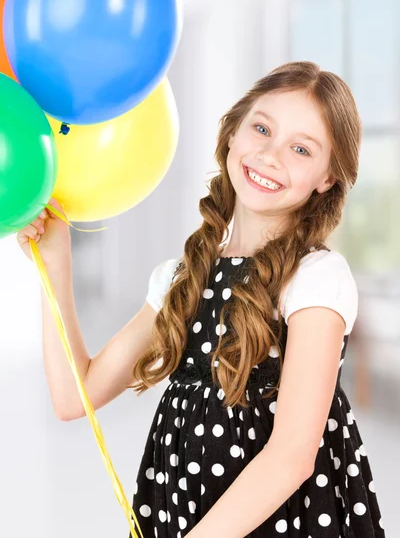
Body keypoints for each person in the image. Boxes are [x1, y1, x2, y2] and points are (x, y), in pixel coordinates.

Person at [17, 61, 386, 538]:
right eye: (261, 128)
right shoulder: (182, 278)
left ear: (327, 179)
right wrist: (56, 264)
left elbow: (292, 455)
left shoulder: (315, 279)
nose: (271, 155)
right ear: (232, 132)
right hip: (183, 509)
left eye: (300, 148)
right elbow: (74, 396)